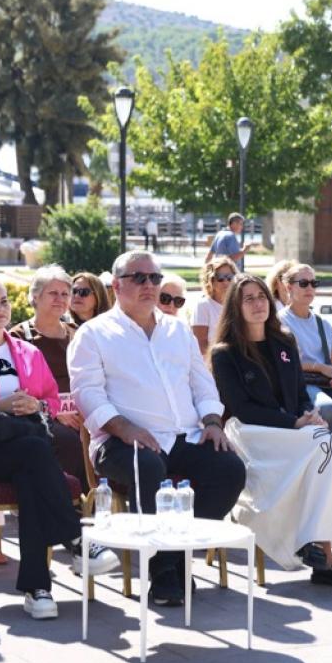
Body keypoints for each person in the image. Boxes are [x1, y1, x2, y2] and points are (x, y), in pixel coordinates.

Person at [68, 251, 246, 606]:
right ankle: (164, 574)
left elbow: (201, 382)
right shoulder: (94, 334)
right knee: (148, 466)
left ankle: (176, 557)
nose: (149, 285)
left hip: (185, 435)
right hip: (120, 441)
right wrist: (123, 427)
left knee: (229, 469)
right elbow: (86, 393)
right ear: (117, 285)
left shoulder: (177, 329)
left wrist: (212, 421)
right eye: (139, 278)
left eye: (154, 278)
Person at [0, 279, 118, 620]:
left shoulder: (27, 352)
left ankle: (39, 590)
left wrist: (34, 405)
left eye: (3, 301)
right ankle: (77, 539)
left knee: (32, 474)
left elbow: (50, 398)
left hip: (26, 451)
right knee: (35, 454)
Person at [210, 275, 332, 587]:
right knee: (322, 449)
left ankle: (319, 551)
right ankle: (322, 557)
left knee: (322, 443)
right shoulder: (225, 353)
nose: (257, 304)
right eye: (248, 299)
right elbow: (241, 407)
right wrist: (294, 424)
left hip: (292, 431)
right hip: (251, 432)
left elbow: (297, 395)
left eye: (261, 297)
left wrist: (309, 416)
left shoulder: (284, 342)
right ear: (236, 308)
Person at [9, 266, 86, 484]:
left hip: (81, 410)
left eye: (65, 294)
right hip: (41, 413)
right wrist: (56, 410)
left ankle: (95, 502)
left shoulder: (77, 333)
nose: (60, 299)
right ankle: (65, 504)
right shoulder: (18, 336)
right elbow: (16, 384)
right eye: (53, 293)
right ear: (36, 296)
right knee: (67, 440)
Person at [279, 264, 332, 451]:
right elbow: (286, 363)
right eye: (303, 283)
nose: (310, 288)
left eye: (313, 283)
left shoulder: (321, 322)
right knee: (328, 409)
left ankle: (330, 454)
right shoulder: (281, 321)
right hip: (300, 382)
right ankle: (327, 458)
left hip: (325, 381)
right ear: (288, 287)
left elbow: (331, 358)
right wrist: (322, 368)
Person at [192, 257, 238, 355]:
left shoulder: (240, 304)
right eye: (220, 278)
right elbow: (200, 344)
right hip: (214, 362)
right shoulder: (203, 306)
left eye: (230, 277)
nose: (226, 282)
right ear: (210, 280)